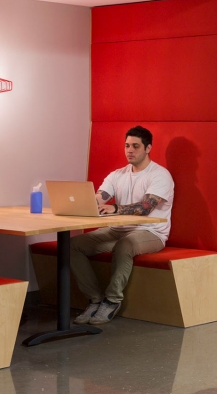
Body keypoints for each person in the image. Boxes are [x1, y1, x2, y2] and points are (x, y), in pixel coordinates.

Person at [70, 125, 174, 325]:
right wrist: (87, 202)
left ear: (148, 148)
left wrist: (115, 208)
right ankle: (94, 299)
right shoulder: (117, 175)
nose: (130, 150)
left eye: (135, 146)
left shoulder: (160, 175)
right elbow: (101, 197)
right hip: (117, 230)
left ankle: (112, 300)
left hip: (151, 233)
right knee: (73, 245)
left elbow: (145, 207)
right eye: (127, 145)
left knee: (124, 245)